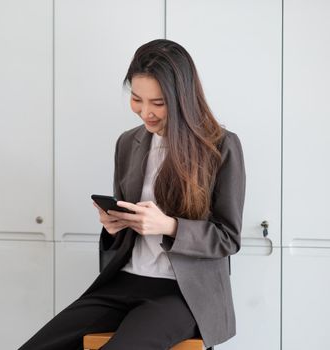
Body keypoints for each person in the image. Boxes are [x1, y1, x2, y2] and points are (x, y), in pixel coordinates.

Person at [19, 39, 246, 350]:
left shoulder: (220, 146)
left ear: (183, 99)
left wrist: (169, 226)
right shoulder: (128, 143)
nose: (145, 113)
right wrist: (114, 225)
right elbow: (123, 232)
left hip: (182, 293)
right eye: (137, 99)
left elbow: (228, 238)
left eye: (158, 103)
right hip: (124, 282)